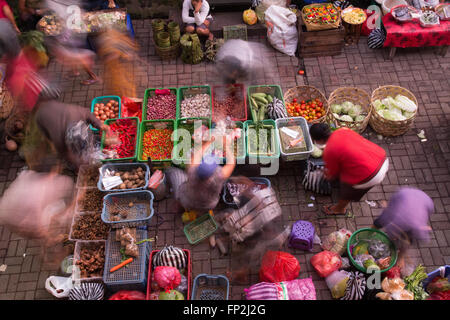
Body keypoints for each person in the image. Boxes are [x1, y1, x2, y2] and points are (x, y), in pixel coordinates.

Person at [309, 124, 388, 216]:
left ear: (319, 140)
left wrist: (321, 174)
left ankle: (339, 209)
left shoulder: (329, 151)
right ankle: (361, 189)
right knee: (352, 178)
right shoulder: (342, 130)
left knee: (348, 190)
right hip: (380, 157)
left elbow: (332, 174)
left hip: (371, 174)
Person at [34, 99, 115, 171]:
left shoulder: (75, 113)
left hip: (69, 126)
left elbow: (87, 113)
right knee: (75, 160)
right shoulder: (58, 138)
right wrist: (77, 163)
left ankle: (85, 154)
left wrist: (100, 125)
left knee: (88, 143)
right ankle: (77, 167)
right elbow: (64, 152)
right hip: (61, 135)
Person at [167, 133, 236, 214]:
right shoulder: (218, 177)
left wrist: (209, 141)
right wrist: (226, 145)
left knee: (173, 172)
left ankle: (180, 208)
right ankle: (202, 214)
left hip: (187, 199)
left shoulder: (192, 170)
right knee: (202, 210)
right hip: (207, 204)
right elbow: (231, 162)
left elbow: (198, 154)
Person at [372, 187, 434, 268]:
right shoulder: (388, 216)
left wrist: (401, 256)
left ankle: (401, 256)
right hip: (403, 196)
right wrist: (371, 232)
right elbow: (378, 223)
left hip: (426, 202)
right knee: (379, 222)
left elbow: (410, 241)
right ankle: (370, 232)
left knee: (408, 240)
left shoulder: (416, 229)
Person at [96, 28, 138, 97]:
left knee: (125, 86)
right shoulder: (106, 39)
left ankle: (127, 99)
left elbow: (120, 47)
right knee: (120, 86)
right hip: (115, 71)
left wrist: (125, 53)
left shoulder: (111, 35)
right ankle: (125, 99)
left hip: (120, 70)